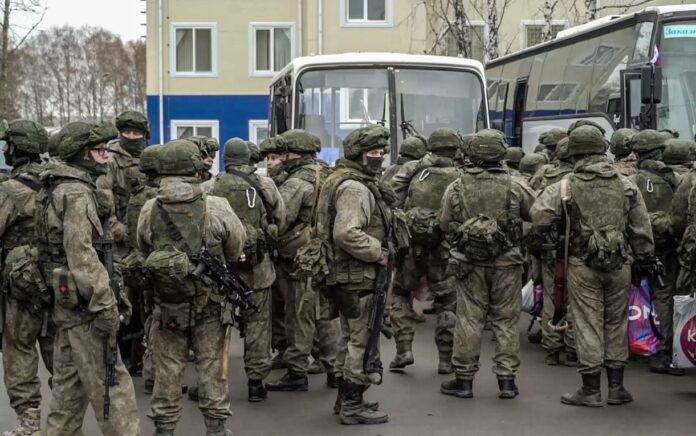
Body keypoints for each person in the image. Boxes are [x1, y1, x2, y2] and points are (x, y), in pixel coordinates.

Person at [531, 124, 654, 407]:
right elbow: (642, 229)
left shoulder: (563, 186)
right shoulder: (625, 184)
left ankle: (590, 389)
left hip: (580, 264)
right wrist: (644, 259)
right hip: (620, 263)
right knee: (615, 322)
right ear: (602, 149)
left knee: (587, 323)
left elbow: (538, 217)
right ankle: (616, 388)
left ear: (574, 152)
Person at [35, 121, 140, 435]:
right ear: (79, 153)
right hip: (86, 310)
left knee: (67, 397)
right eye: (97, 150)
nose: (105, 155)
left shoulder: (56, 187)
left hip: (68, 308)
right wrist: (105, 304)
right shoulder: (78, 193)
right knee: (114, 391)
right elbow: (81, 253)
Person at [137, 139, 245, 436]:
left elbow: (143, 250)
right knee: (212, 370)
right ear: (196, 167)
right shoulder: (217, 206)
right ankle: (216, 428)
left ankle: (164, 429)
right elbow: (236, 249)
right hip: (210, 305)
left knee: (167, 370)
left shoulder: (150, 208)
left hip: (167, 302)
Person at [439, 129, 535, 400]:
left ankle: (464, 380)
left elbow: (444, 222)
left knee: (469, 318)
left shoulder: (457, 185)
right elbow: (537, 214)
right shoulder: (515, 184)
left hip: (469, 262)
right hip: (508, 262)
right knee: (506, 319)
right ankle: (507, 381)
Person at [315, 125, 394, 424]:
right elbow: (346, 233)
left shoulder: (341, 179)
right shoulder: (355, 187)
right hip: (357, 275)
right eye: (372, 153)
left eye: (381, 152)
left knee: (350, 338)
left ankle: (344, 398)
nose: (379, 158)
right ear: (358, 155)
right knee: (361, 340)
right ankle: (352, 404)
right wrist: (379, 253)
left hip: (346, 273)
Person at [210, 138, 285, 402]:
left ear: (226, 159)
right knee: (258, 324)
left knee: (218, 323)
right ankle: (256, 382)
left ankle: (214, 381)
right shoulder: (264, 184)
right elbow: (280, 218)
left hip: (222, 269)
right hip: (258, 267)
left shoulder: (212, 185)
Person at [266, 129, 338, 392]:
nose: (282, 158)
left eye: (286, 153)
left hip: (299, 257)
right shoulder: (328, 175)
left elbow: (280, 220)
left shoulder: (296, 183)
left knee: (298, 313)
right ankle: (334, 368)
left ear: (295, 154)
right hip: (325, 253)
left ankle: (297, 371)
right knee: (325, 313)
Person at [387, 128, 462, 374]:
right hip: (444, 249)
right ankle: (445, 359)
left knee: (399, 294)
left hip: (411, 245)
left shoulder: (416, 170)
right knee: (448, 302)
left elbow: (392, 194)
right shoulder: (461, 174)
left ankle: (404, 350)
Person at [0, 119, 56, 436]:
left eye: (8, 144)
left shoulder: (9, 190)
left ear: (18, 148)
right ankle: (66, 418)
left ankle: (29, 422)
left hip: (21, 286)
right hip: (58, 280)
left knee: (19, 349)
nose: (5, 150)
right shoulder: (58, 181)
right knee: (58, 350)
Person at [628, 130, 683, 375]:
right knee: (664, 296)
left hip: (637, 246)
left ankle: (634, 344)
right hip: (667, 246)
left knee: (632, 294)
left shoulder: (630, 179)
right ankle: (663, 350)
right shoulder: (674, 177)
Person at [529, 137, 577, 366]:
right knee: (581, 302)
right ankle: (574, 348)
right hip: (585, 253)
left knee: (553, 296)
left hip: (554, 250)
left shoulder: (548, 178)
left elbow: (536, 215)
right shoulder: (614, 179)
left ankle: (552, 347)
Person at [122, 144, 163, 395]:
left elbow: (133, 235)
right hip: (160, 265)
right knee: (158, 320)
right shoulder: (161, 196)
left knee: (145, 318)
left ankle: (145, 371)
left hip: (139, 264)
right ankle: (155, 375)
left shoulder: (136, 196)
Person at [259, 136, 289, 369]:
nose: (270, 163)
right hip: (275, 251)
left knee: (288, 303)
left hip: (287, 250)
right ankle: (282, 348)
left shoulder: (287, 183)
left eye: (275, 158)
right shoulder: (269, 182)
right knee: (277, 305)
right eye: (268, 158)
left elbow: (282, 218)